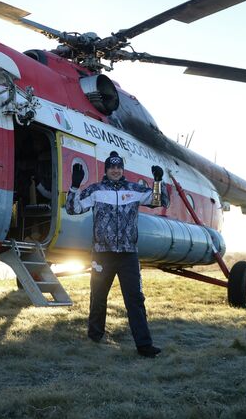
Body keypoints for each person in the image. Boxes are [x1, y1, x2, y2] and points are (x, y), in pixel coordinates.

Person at [65, 151, 169, 358]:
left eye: (118, 167)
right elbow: (72, 209)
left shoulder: (134, 190)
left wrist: (159, 181)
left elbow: (159, 201)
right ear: (106, 170)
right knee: (98, 297)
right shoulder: (96, 190)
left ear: (122, 169)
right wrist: (75, 186)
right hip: (102, 254)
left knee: (135, 300)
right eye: (112, 167)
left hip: (128, 254)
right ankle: (94, 338)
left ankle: (144, 345)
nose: (115, 170)